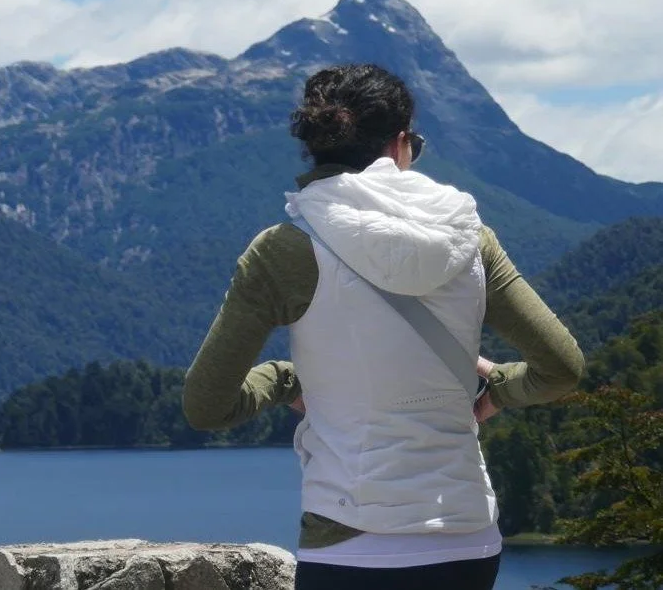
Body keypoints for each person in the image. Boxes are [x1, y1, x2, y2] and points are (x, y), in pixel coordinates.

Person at [181, 63, 585, 590]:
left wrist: (283, 379)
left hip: (352, 543)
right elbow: (562, 368)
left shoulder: (283, 251)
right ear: (399, 145)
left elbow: (207, 407)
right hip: (468, 541)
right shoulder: (470, 237)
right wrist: (498, 390)